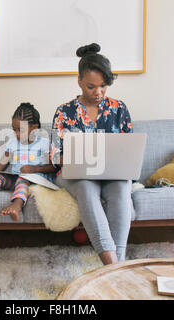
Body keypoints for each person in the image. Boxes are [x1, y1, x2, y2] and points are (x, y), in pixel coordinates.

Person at [51, 43, 134, 265]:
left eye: (103, 86)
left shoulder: (119, 109)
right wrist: (77, 158)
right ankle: (113, 267)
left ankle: (118, 261)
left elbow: (130, 149)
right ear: (79, 81)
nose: (98, 92)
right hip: (76, 175)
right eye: (91, 86)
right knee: (86, 187)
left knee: (122, 187)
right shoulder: (64, 112)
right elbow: (54, 156)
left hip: (111, 175)